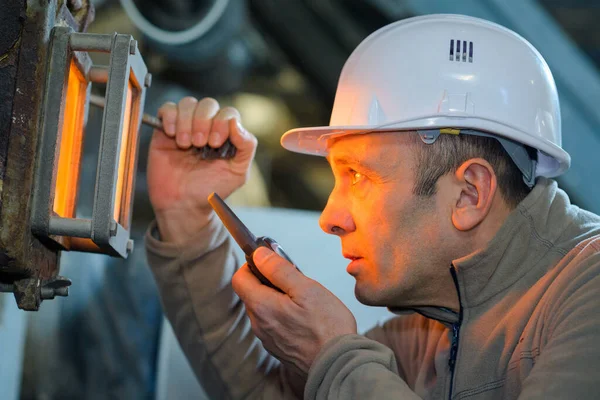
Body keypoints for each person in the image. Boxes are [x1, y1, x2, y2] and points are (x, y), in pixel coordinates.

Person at [145, 14, 600, 399]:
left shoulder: (588, 292)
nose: (329, 219)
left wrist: (336, 357)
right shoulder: (430, 334)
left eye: (359, 176)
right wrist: (187, 219)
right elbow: (264, 390)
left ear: (469, 194)